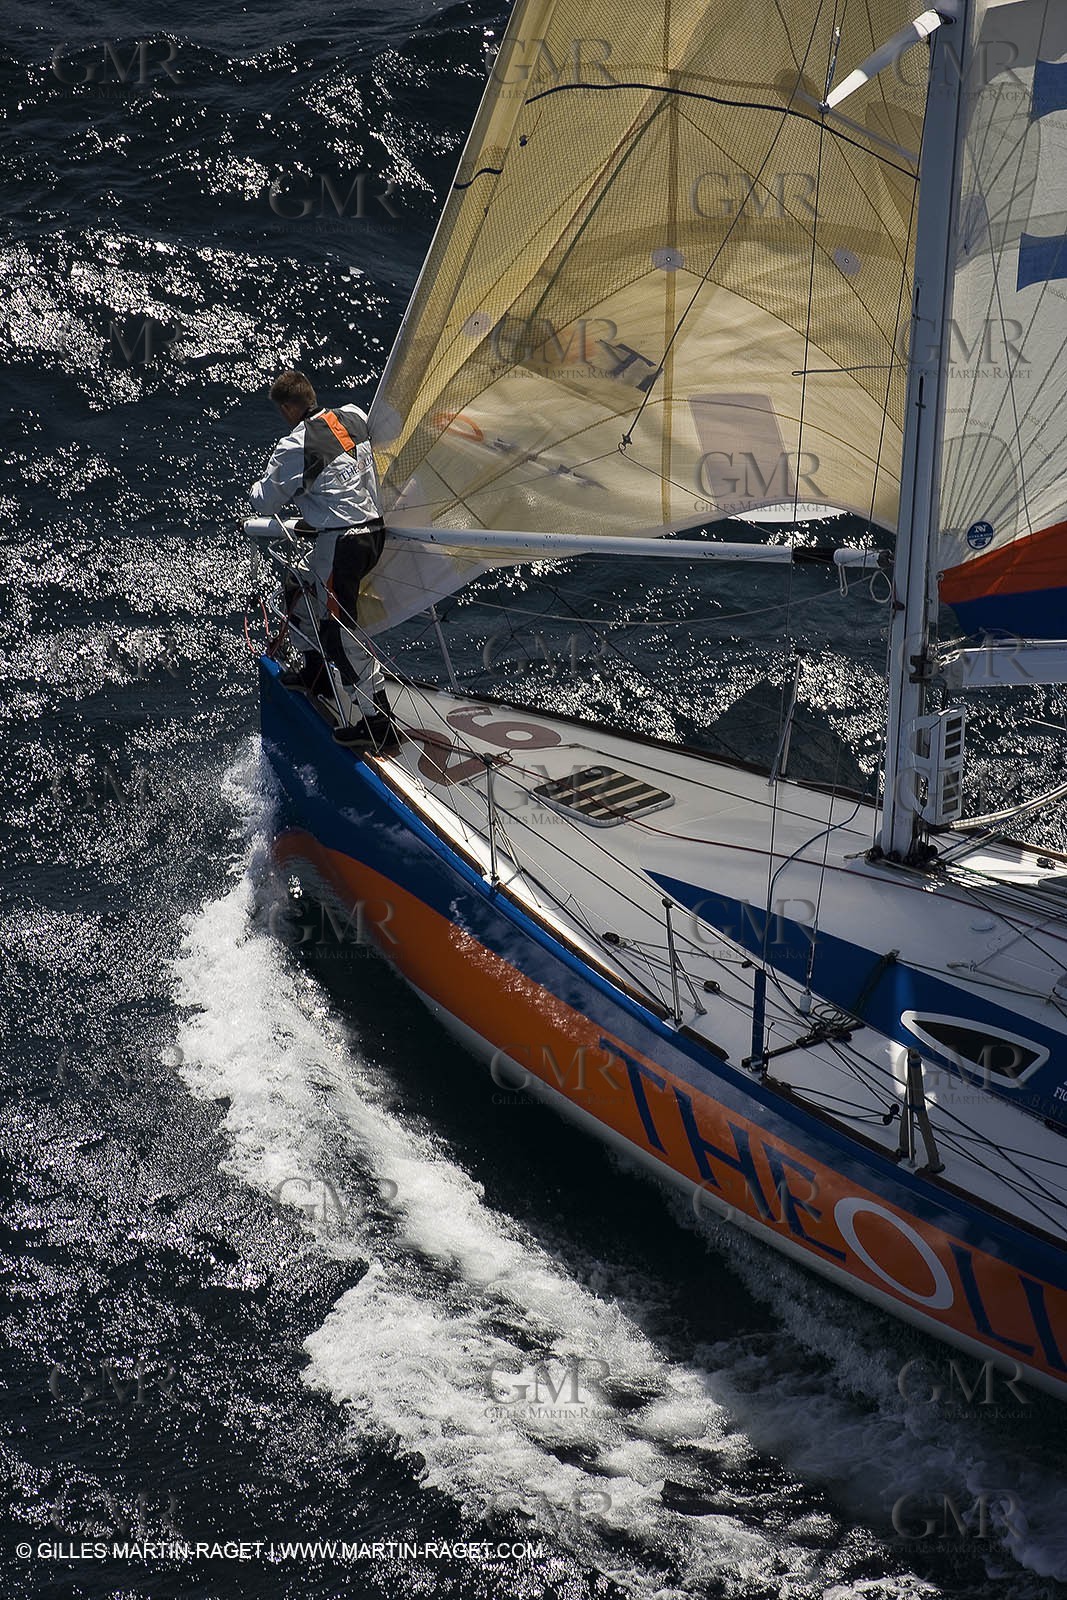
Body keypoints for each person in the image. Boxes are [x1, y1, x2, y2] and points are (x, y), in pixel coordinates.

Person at [250, 369, 393, 747]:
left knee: (340, 632)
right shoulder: (353, 415)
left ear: (285, 408)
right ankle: (314, 671)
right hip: (372, 534)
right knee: (298, 581)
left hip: (342, 543)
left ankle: (379, 724)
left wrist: (260, 488)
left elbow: (264, 500)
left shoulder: (293, 445)